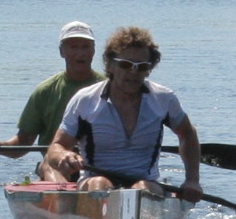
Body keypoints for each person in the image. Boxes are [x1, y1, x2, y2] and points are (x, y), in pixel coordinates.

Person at [43, 26, 203, 203]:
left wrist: (192, 180)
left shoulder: (163, 99)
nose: (133, 72)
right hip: (94, 180)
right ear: (110, 64)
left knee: (142, 189)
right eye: (126, 65)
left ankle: (137, 217)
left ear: (149, 69)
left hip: (145, 182)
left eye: (142, 67)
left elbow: (187, 134)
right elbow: (56, 147)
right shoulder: (86, 100)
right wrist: (63, 156)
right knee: (100, 183)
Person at [0, 20, 102, 179]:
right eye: (73, 47)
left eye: (85, 47)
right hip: (56, 165)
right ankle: (59, 191)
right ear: (62, 51)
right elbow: (24, 141)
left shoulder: (110, 88)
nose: (80, 53)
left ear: (93, 50)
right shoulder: (45, 91)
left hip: (98, 166)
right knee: (48, 163)